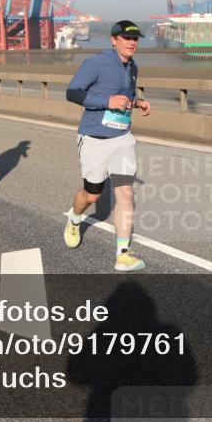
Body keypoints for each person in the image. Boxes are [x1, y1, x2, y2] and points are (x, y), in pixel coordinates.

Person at [63, 20, 152, 272]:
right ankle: (75, 217)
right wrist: (106, 100)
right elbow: (72, 92)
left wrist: (138, 103)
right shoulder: (96, 63)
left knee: (125, 193)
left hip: (122, 139)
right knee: (92, 195)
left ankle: (123, 254)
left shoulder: (133, 66)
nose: (132, 43)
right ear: (113, 40)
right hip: (94, 140)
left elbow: (125, 96)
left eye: (135, 39)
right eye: (126, 38)